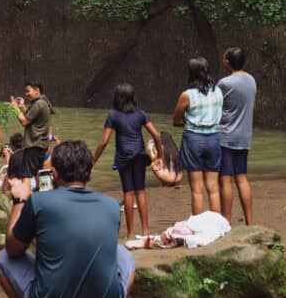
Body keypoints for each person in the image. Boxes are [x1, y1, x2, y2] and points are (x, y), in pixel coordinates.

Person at [0, 140, 136, 298]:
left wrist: (20, 199)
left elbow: (13, 250)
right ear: (90, 172)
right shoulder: (111, 205)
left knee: (3, 261)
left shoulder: (39, 202)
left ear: (53, 174)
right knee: (124, 255)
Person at [91, 83, 164, 238]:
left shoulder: (113, 115)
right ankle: (146, 231)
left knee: (128, 193)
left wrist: (93, 161)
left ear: (117, 98)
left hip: (123, 156)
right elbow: (157, 135)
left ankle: (130, 233)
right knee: (141, 191)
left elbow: (104, 141)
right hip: (139, 155)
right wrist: (160, 158)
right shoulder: (141, 114)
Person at [172, 57, 224, 215]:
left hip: (193, 139)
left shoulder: (187, 95)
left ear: (191, 73)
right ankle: (216, 225)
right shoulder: (218, 91)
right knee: (213, 188)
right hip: (214, 138)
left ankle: (198, 226)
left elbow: (176, 120)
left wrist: (186, 122)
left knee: (197, 190)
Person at [218, 46, 256, 225]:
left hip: (225, 136)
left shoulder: (225, 83)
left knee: (225, 179)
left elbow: (215, 106)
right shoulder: (252, 81)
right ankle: (249, 221)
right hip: (244, 136)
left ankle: (226, 221)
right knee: (241, 177)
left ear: (227, 62)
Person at [8, 82, 53, 181]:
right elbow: (32, 117)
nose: (26, 94)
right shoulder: (43, 102)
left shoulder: (38, 104)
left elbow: (24, 121)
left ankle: (27, 195)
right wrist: (22, 107)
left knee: (27, 175)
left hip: (34, 144)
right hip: (41, 145)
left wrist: (15, 109)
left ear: (37, 91)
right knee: (38, 173)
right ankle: (40, 194)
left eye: (28, 91)